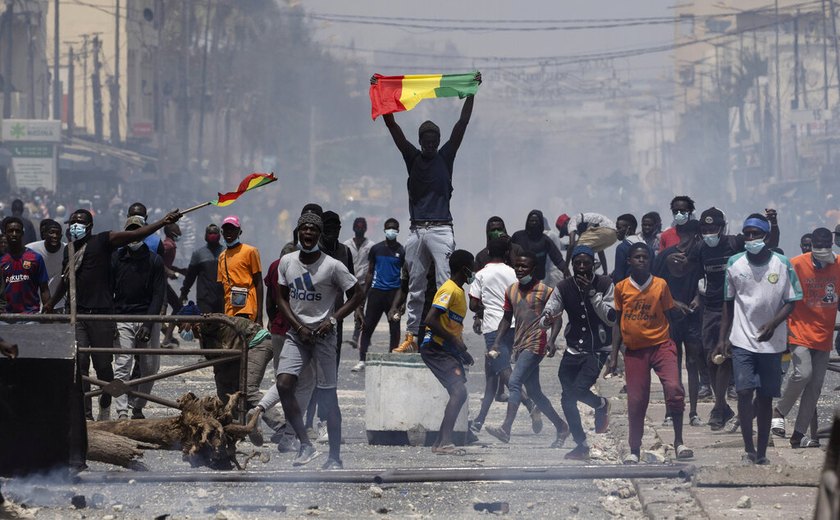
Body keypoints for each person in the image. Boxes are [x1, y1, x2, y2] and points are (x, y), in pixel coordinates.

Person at [374, 72, 480, 353]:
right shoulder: (412, 157)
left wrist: (471, 92)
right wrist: (380, 93)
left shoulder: (447, 156)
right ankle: (410, 337)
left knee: (446, 285)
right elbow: (393, 128)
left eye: (434, 139)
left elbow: (462, 123)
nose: (431, 143)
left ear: (439, 140)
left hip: (442, 229)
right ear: (420, 141)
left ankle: (447, 334)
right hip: (416, 230)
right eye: (426, 139)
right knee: (415, 286)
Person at [43, 207, 182, 421]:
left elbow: (135, 235)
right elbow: (65, 279)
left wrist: (163, 222)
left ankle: (105, 402)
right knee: (80, 366)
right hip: (79, 315)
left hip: (102, 316)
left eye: (79, 222)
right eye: (72, 222)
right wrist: (51, 303)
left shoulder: (103, 241)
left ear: (89, 226)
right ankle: (86, 415)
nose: (75, 226)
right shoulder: (68, 249)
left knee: (104, 368)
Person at [275, 213, 363, 469]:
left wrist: (333, 320)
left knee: (328, 398)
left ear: (319, 234)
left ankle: (334, 457)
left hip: (324, 338)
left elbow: (357, 294)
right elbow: (281, 298)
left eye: (313, 230)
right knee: (283, 384)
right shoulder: (287, 262)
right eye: (304, 229)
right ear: (298, 232)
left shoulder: (332, 265)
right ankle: (305, 443)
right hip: (297, 335)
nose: (308, 234)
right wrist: (297, 326)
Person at [713, 214, 801, 465]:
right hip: (742, 340)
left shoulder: (782, 264)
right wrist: (723, 338)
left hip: (772, 343)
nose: (751, 238)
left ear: (766, 236)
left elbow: (792, 301)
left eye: (755, 234)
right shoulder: (735, 263)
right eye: (747, 234)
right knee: (743, 391)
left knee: (764, 397)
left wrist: (774, 324)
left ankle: (762, 452)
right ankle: (748, 448)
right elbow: (728, 305)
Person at [694, 207, 780, 431]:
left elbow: (767, 245)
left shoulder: (735, 243)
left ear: (722, 228)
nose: (708, 233)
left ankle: (728, 407)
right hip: (711, 307)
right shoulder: (701, 249)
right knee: (713, 357)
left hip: (737, 306)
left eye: (713, 228)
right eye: (705, 229)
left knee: (729, 355)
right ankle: (721, 405)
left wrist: (773, 223)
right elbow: (694, 275)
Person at [607, 243, 694, 464]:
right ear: (629, 261)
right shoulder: (621, 288)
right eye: (637, 257)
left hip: (661, 345)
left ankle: (679, 441)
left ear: (650, 260)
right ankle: (634, 449)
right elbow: (617, 323)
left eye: (645, 257)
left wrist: (685, 314)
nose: (641, 261)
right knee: (636, 400)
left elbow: (669, 312)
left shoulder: (660, 285)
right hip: (635, 351)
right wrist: (613, 355)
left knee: (674, 388)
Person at [484, 250, 569, 448]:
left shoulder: (545, 291)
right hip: (519, 343)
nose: (520, 270)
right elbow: (506, 318)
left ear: (533, 270)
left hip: (536, 342)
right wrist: (497, 341)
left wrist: (552, 339)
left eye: (524, 267)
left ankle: (506, 428)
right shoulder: (511, 290)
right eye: (518, 266)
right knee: (535, 393)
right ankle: (561, 426)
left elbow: (557, 318)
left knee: (514, 381)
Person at [542, 245, 616, 460]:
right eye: (577, 263)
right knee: (567, 398)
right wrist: (546, 318)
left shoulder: (605, 284)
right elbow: (551, 308)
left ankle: (601, 404)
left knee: (578, 389)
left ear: (593, 264)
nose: (582, 267)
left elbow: (610, 317)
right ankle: (581, 444)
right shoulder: (564, 286)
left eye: (586, 263)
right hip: (574, 348)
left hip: (598, 349)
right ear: (572, 265)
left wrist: (593, 295)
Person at [772, 227, 840, 448]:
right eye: (818, 248)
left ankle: (799, 434)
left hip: (824, 333)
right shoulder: (796, 264)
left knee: (816, 387)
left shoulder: (838, 264)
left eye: (826, 247)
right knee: (803, 374)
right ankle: (779, 411)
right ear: (812, 247)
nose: (822, 252)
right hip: (799, 330)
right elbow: (781, 296)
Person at [468, 239, 542, 434]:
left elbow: (473, 304)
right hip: (513, 325)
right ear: (508, 251)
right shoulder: (513, 272)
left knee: (502, 371)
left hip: (494, 328)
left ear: (487, 251)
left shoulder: (481, 274)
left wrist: (484, 308)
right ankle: (479, 421)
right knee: (492, 374)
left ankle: (529, 404)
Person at [418, 249, 476, 455]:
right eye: (473, 266)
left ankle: (439, 442)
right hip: (435, 346)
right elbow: (431, 319)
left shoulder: (458, 292)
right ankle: (445, 442)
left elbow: (452, 326)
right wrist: (453, 341)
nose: (475, 271)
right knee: (459, 391)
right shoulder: (449, 290)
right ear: (464, 268)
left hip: (446, 348)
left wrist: (463, 352)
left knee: (458, 392)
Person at [653, 220, 710, 426]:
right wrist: (672, 302)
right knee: (672, 367)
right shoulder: (665, 257)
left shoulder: (699, 258)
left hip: (692, 317)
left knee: (693, 363)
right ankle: (671, 411)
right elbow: (654, 285)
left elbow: (703, 282)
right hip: (670, 318)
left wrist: (698, 298)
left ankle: (693, 412)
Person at [110, 216, 166, 420]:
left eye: (137, 230)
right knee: (123, 365)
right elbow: (109, 291)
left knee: (150, 368)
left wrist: (149, 324)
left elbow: (158, 294)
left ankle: (138, 406)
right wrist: (111, 320)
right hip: (122, 317)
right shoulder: (116, 258)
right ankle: (122, 411)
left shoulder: (154, 260)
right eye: (130, 230)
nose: (134, 235)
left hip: (147, 317)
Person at [353, 218, 405, 372]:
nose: (391, 231)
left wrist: (401, 303)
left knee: (394, 329)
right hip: (376, 293)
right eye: (389, 228)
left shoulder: (401, 251)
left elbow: (404, 278)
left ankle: (392, 358)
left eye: (394, 228)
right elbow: (370, 272)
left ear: (398, 230)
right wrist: (363, 296)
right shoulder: (376, 249)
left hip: (394, 295)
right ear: (384, 230)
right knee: (367, 327)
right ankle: (362, 359)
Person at [218, 215, 263, 324]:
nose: (229, 232)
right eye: (226, 229)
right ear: (222, 232)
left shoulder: (250, 251)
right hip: (229, 309)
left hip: (247, 307)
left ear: (240, 232)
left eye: (232, 229)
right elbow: (221, 287)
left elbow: (258, 283)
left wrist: (260, 315)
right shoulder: (222, 256)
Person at [0, 217, 50, 314]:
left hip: (31, 316)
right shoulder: (1, 260)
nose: (14, 234)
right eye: (10, 231)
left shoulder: (35, 258)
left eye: (17, 231)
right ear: (5, 234)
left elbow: (44, 289)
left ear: (22, 233)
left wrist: (48, 311)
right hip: (5, 318)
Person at [510, 210, 569, 281]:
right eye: (531, 221)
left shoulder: (545, 240)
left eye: (536, 221)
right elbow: (508, 251)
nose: (534, 223)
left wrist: (566, 272)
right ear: (527, 222)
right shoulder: (518, 236)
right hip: (519, 278)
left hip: (537, 280)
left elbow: (558, 259)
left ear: (541, 223)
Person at [180, 224, 225, 314]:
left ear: (219, 235)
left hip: (222, 297)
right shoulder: (198, 254)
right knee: (205, 325)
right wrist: (184, 292)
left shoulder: (225, 252)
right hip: (205, 299)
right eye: (210, 233)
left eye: (215, 233)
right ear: (205, 235)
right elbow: (190, 276)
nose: (212, 235)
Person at [344, 217, 374, 349]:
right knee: (350, 307)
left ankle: (357, 337)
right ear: (353, 228)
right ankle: (364, 333)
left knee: (360, 307)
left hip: (363, 282)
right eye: (358, 226)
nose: (360, 229)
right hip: (349, 281)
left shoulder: (370, 246)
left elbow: (372, 267)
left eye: (362, 227)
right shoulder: (347, 245)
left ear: (366, 229)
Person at [26, 219, 65, 312]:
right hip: (35, 304)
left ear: (61, 236)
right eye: (51, 233)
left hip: (59, 303)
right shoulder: (31, 249)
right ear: (44, 235)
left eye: (57, 233)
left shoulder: (67, 250)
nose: (55, 236)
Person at [160, 223, 186, 347]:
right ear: (171, 232)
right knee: (163, 310)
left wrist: (180, 270)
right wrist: (169, 272)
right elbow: (158, 262)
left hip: (163, 281)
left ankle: (167, 337)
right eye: (177, 229)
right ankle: (165, 336)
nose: (180, 231)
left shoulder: (171, 245)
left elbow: (166, 263)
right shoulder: (167, 246)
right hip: (160, 282)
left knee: (177, 306)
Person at [612, 213, 646, 283]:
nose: (616, 231)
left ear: (629, 229)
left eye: (619, 228)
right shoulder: (647, 247)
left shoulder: (622, 248)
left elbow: (619, 278)